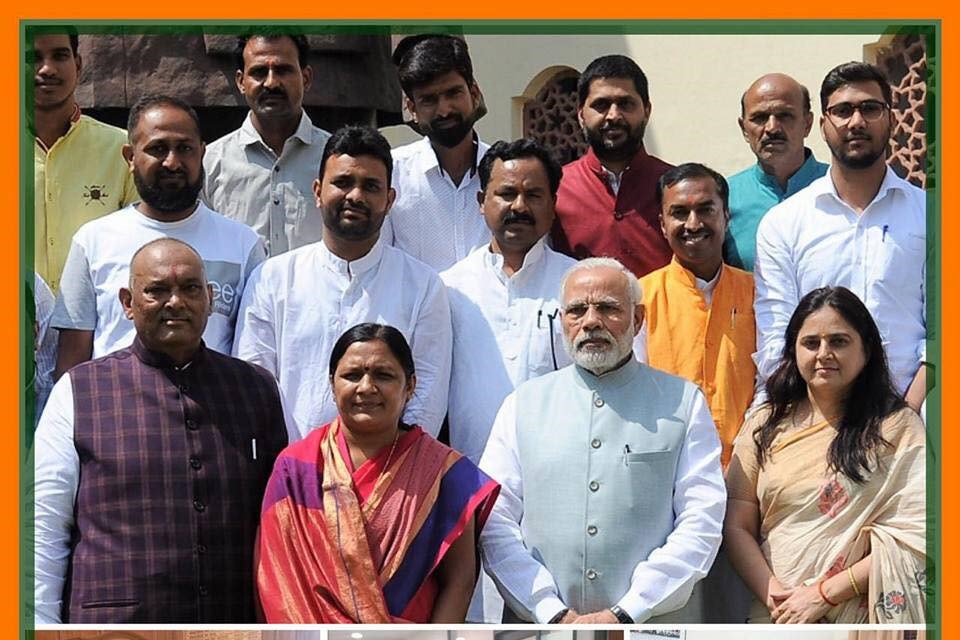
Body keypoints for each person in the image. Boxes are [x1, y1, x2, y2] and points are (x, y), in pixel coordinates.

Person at [33, 238, 288, 623]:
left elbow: (290, 516)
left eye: (190, 288)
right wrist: (41, 626)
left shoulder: (258, 389)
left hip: (233, 622)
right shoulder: (79, 391)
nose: (176, 302)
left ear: (210, 298)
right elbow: (43, 524)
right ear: (127, 303)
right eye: (157, 290)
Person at [480, 258, 725, 624]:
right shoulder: (521, 405)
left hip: (651, 625)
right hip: (541, 626)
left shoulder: (683, 403)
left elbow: (702, 518)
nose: (591, 321)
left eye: (608, 308)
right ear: (562, 321)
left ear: (638, 319)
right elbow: (494, 520)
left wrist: (629, 610)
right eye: (577, 310)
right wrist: (549, 610)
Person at [257, 323, 499, 623]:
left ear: (410, 386)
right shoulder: (296, 468)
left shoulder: (443, 472)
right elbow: (276, 577)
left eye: (383, 375)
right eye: (352, 375)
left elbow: (459, 580)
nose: (366, 387)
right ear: (332, 383)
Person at [234, 125, 452, 440]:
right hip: (291, 463)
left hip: (392, 466)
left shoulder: (423, 286)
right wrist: (295, 460)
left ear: (389, 199)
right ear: (317, 191)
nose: (356, 196)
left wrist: (393, 463)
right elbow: (255, 382)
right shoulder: (272, 279)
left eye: (371, 186)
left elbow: (426, 394)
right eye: (343, 182)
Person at [725, 286, 926, 623]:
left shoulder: (896, 427)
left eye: (839, 341)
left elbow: (921, 532)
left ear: (867, 350)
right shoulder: (764, 425)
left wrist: (824, 595)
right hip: (777, 615)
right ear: (793, 350)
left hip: (861, 617)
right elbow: (737, 523)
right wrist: (777, 598)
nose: (824, 353)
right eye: (811, 343)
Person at [441, 138, 575, 622]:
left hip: (561, 496)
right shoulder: (448, 288)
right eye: (506, 193)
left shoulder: (579, 286)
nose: (519, 206)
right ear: (482, 201)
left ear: (553, 204)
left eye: (534, 195)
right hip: (469, 493)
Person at [51, 94, 265, 378]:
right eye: (158, 149)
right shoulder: (93, 242)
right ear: (130, 157)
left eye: (184, 148)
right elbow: (71, 363)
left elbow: (255, 355)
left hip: (215, 403)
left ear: (202, 153)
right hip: (117, 403)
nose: (172, 162)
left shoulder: (242, 244)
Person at [754, 62, 927, 411]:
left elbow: (943, 333)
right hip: (810, 410)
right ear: (823, 125)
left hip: (911, 405)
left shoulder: (932, 216)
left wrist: (906, 413)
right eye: (843, 111)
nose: (856, 121)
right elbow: (776, 339)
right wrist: (815, 418)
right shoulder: (784, 222)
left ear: (891, 119)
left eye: (870, 108)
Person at [641, 163, 756, 468]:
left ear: (726, 217)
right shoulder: (640, 299)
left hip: (746, 467)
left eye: (706, 210)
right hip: (668, 468)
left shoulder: (758, 293)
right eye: (679, 213)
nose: (693, 224)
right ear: (662, 224)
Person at [203, 33, 331, 256]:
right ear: (241, 82)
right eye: (259, 72)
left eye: (283, 70)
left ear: (306, 78)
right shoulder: (210, 163)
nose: (272, 83)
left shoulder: (335, 159)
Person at [31, 29, 137, 293]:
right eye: (32, 57)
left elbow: (143, 241)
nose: (47, 69)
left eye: (60, 55)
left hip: (98, 315)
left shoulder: (123, 150)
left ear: (78, 65)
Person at [552, 55, 673, 278]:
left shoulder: (674, 186)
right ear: (580, 114)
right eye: (601, 105)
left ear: (647, 111)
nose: (614, 115)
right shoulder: (555, 188)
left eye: (625, 104)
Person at [382, 35, 491, 270]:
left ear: (474, 93)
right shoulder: (391, 174)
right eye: (429, 100)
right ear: (412, 108)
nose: (444, 110)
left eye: (453, 93)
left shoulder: (503, 174)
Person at [725, 73, 828, 271]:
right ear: (744, 128)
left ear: (807, 124)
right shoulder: (725, 198)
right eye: (760, 118)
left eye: (784, 116)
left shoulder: (841, 188)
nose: (772, 128)